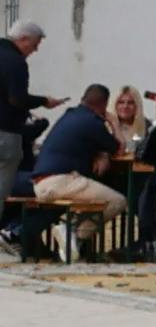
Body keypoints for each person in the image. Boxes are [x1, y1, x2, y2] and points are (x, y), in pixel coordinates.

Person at [29, 85, 123, 251]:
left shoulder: (70, 115)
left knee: (93, 199)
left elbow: (88, 143)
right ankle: (73, 233)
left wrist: (101, 154)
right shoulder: (93, 121)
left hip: (40, 183)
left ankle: (71, 242)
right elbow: (119, 149)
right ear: (104, 104)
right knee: (117, 201)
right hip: (61, 181)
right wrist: (114, 123)